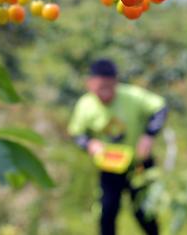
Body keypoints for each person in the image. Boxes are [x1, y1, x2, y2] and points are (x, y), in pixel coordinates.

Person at [68, 59, 168, 235]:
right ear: (90, 84)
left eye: (109, 86)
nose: (105, 93)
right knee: (107, 212)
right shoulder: (85, 105)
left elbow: (160, 108)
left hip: (139, 165)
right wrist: (89, 144)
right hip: (109, 166)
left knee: (144, 212)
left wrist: (149, 135)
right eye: (100, 87)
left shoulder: (132, 96)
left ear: (116, 82)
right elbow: (77, 133)